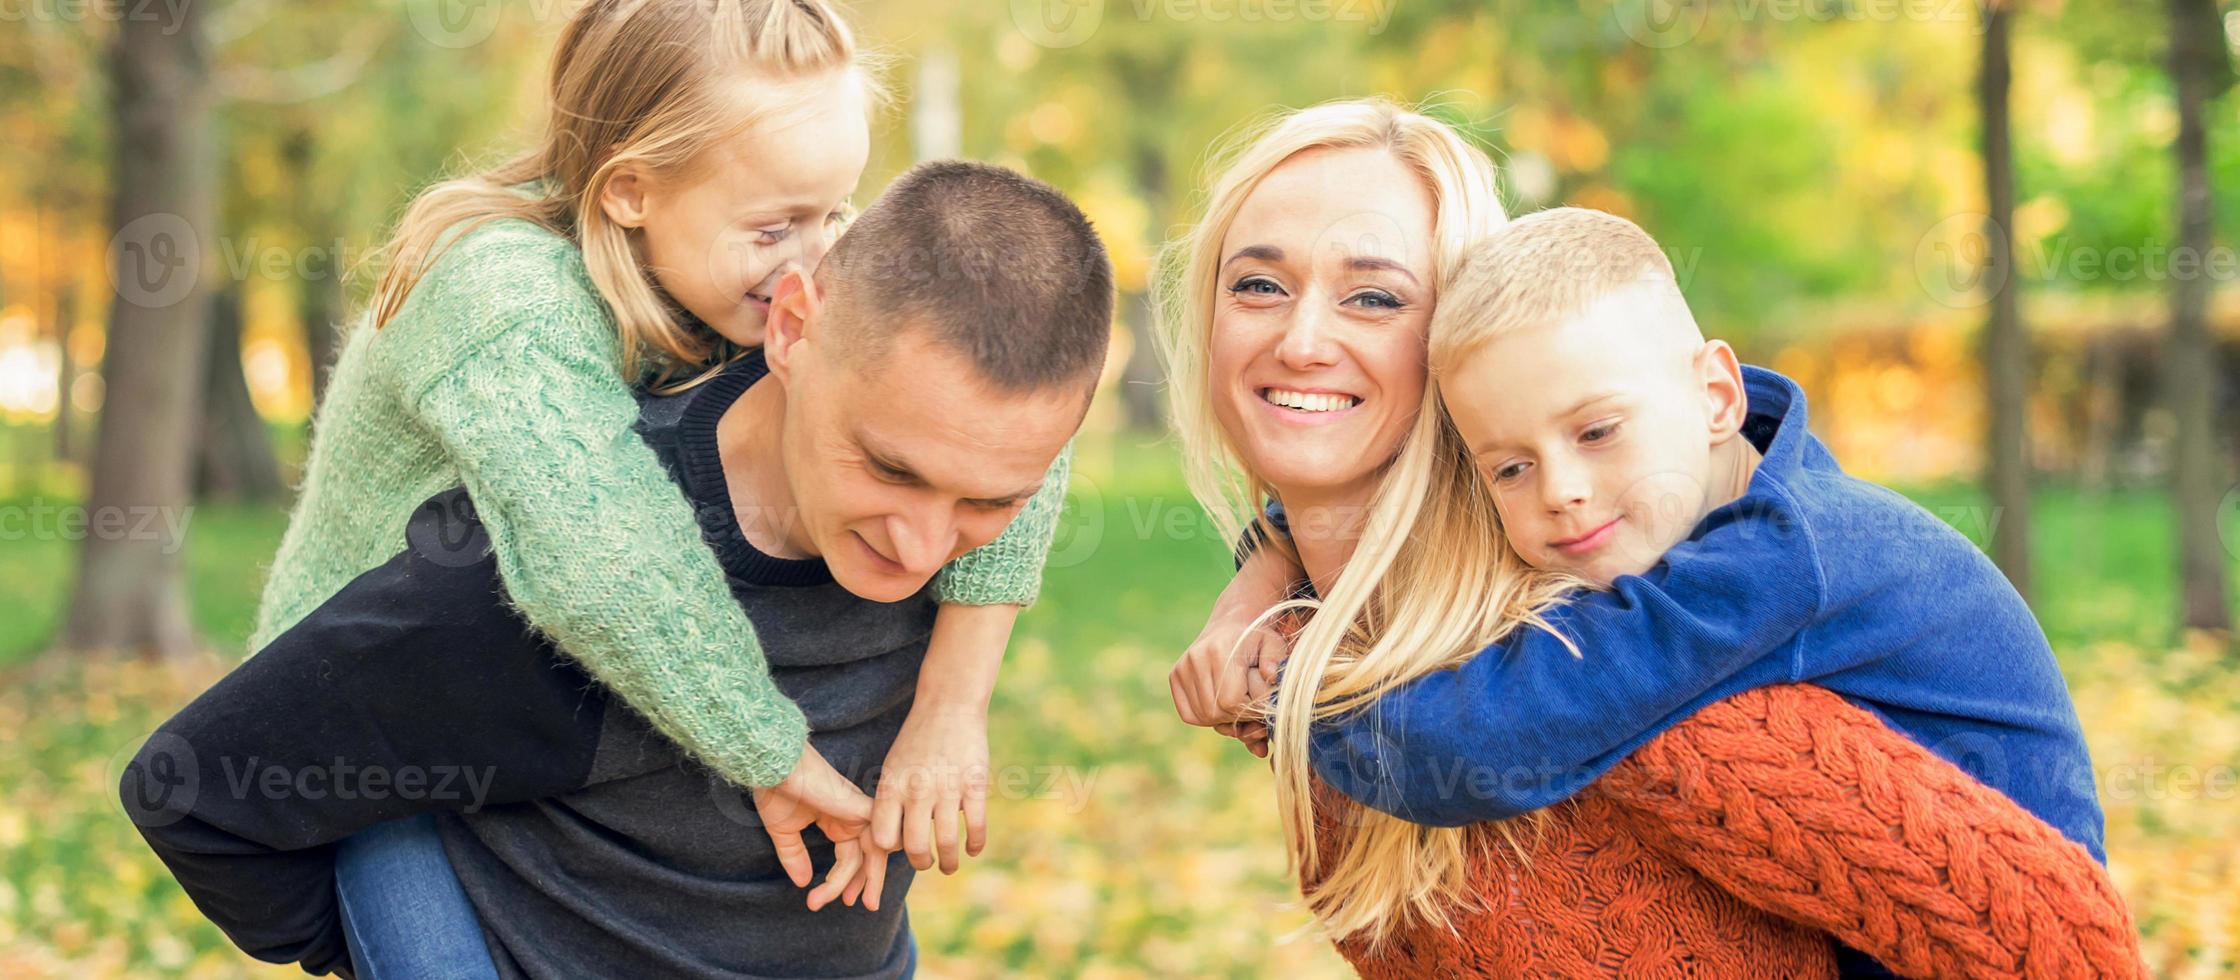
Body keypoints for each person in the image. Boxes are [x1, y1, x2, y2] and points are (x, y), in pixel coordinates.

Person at [1157, 100, 2142, 976]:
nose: (1299, 339)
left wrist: (1296, 698)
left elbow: (2060, 945)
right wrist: (1269, 578)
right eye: (1254, 284)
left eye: (1372, 294)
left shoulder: (1624, 652)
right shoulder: (1356, 624)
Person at [123, 160, 1114, 979]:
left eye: (990, 500)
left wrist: (954, 701)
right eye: (891, 468)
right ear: (795, 327)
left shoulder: (954, 458)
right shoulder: (571, 566)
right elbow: (195, 791)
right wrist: (427, 957)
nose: (924, 546)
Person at [253, 0, 1062, 892]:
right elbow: (603, 550)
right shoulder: (502, 295)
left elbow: (998, 422)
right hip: (369, 735)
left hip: (521, 720)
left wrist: (951, 707)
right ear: (630, 189)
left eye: (835, 213)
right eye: (773, 229)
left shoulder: (731, 262)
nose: (811, 261)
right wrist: (767, 746)